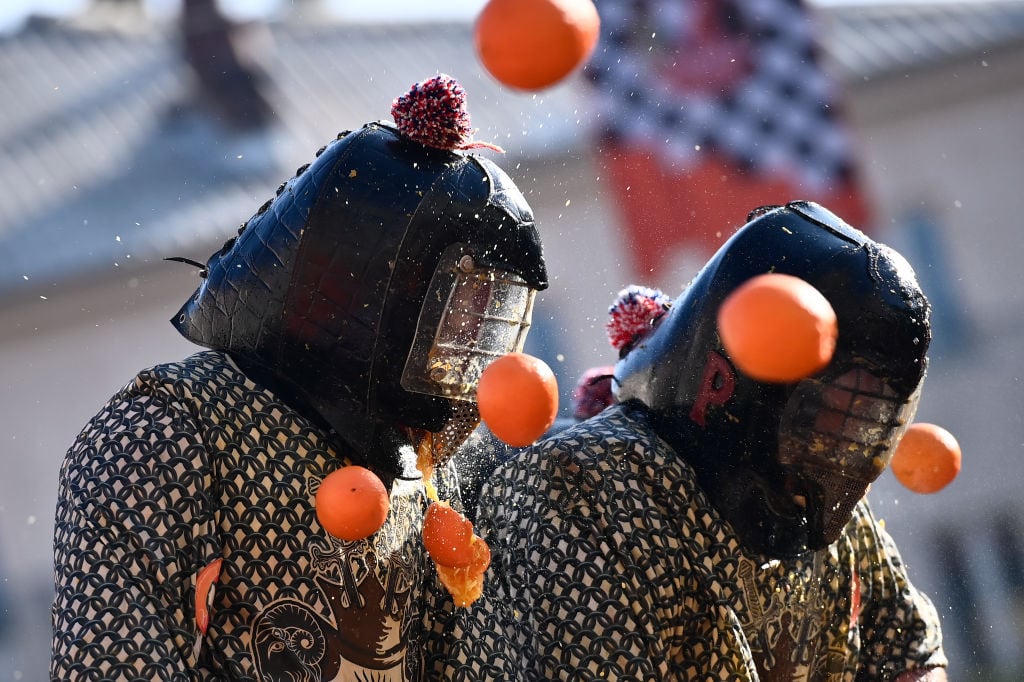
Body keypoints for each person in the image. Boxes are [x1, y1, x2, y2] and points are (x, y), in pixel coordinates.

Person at [50, 75, 548, 681]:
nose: (473, 330)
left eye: (489, 301)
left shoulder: (428, 471)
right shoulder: (166, 434)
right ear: (371, 286)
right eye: (462, 294)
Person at [431, 201, 947, 681]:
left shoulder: (820, 494)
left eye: (868, 416)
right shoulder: (582, 490)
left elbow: (910, 654)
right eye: (832, 408)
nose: (847, 441)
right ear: (728, 387)